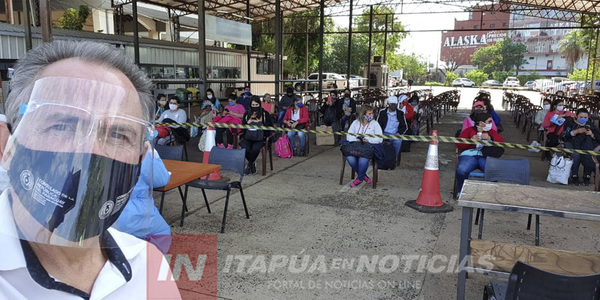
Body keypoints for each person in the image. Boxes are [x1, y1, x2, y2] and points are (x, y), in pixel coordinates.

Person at [0, 40, 180, 298]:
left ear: (140, 160)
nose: (91, 152)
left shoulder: (148, 263)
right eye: (62, 126)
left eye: (119, 135)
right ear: (8, 145)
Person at [114, 147, 172, 253]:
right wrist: (154, 155)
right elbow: (162, 180)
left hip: (107, 216)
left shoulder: (93, 151)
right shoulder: (143, 152)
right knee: (162, 233)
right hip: (140, 214)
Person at [455, 113, 504, 196]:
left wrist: (490, 138)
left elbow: (501, 143)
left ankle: (490, 193)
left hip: (486, 155)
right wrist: (470, 140)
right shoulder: (468, 130)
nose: (491, 124)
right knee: (461, 170)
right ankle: (461, 191)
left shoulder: (491, 132)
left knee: (493, 172)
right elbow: (459, 145)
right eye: (489, 121)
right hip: (469, 155)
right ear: (481, 123)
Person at [560, 108, 600, 186]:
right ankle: (574, 175)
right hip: (570, 143)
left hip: (586, 145)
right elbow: (563, 135)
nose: (583, 119)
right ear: (576, 116)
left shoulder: (590, 125)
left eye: (585, 117)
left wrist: (592, 135)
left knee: (589, 153)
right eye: (581, 117)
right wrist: (575, 132)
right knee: (576, 155)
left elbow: (598, 137)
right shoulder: (570, 123)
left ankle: (587, 176)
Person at [345, 105, 383, 187]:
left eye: (372, 113)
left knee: (363, 159)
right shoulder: (355, 123)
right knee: (350, 158)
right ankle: (363, 176)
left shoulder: (375, 124)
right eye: (369, 114)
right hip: (355, 146)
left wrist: (369, 140)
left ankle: (359, 179)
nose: (371, 116)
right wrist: (356, 139)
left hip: (368, 147)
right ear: (363, 114)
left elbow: (380, 139)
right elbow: (348, 136)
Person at [240, 97, 273, 175]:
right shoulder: (247, 114)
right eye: (253, 105)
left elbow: (270, 126)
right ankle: (252, 164)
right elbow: (243, 127)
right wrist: (248, 122)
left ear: (259, 104)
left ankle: (249, 165)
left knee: (255, 149)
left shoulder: (265, 114)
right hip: (248, 136)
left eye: (256, 104)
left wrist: (260, 123)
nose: (254, 106)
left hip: (260, 137)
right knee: (244, 147)